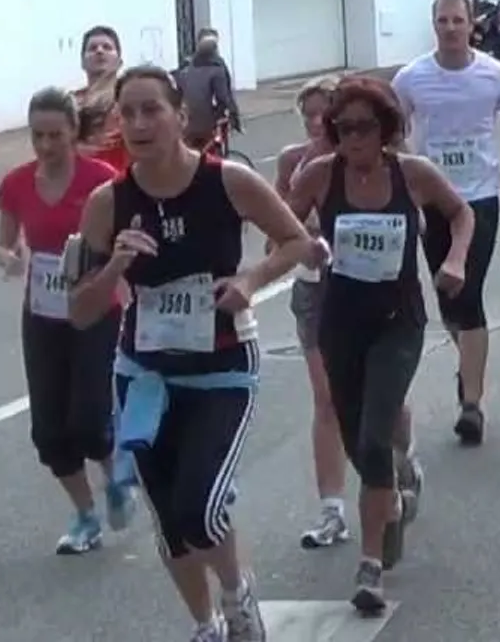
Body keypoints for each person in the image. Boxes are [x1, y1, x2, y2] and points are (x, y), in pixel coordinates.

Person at [69, 65, 316, 642]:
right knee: (171, 519)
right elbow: (80, 310)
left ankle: (238, 595)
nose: (137, 124)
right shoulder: (107, 203)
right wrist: (115, 267)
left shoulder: (228, 181)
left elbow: (298, 242)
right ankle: (205, 624)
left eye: (151, 110)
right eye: (126, 113)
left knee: (199, 507)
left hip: (222, 368)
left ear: (181, 116)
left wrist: (250, 283)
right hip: (145, 373)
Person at [285, 77, 472, 614]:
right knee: (358, 438)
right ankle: (395, 488)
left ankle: (369, 566)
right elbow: (282, 223)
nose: (354, 139)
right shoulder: (321, 175)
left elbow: (461, 214)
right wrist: (302, 246)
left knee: (372, 435)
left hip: (398, 321)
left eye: (365, 128)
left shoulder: (411, 173)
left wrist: (455, 260)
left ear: (386, 128)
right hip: (340, 323)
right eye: (343, 129)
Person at [392, 0, 500, 446]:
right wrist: (407, 178)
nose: (451, 28)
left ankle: (471, 404)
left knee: (467, 291)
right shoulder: (412, 78)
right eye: (442, 20)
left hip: (479, 198)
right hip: (433, 199)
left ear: (472, 24)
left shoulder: (496, 75)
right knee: (447, 297)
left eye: (458, 20)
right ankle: (468, 363)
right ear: (433, 25)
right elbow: (393, 133)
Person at [0, 88, 131, 555]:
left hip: (96, 308)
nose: (46, 145)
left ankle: (115, 474)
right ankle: (85, 514)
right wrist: (8, 257)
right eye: (37, 136)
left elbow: (126, 236)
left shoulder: (101, 180)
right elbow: (5, 241)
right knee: (50, 432)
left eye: (55, 135)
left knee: (90, 420)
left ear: (74, 132)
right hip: (44, 314)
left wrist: (111, 268)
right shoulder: (16, 183)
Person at [273, 76, 352, 551]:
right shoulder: (293, 163)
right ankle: (332, 511)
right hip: (314, 287)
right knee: (326, 399)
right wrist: (299, 237)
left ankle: (402, 461)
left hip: (365, 286)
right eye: (309, 116)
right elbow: (274, 227)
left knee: (376, 399)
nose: (316, 124)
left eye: (325, 114)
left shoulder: (369, 161)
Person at [178, 28, 244, 151]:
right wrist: (231, 117)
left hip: (186, 120)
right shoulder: (217, 68)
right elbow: (224, 97)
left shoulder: (186, 68)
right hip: (205, 121)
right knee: (210, 146)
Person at [76, 25, 129, 171]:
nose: (99, 51)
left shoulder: (130, 98)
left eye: (107, 47)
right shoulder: (71, 103)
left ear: (119, 61)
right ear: (82, 62)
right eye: (92, 48)